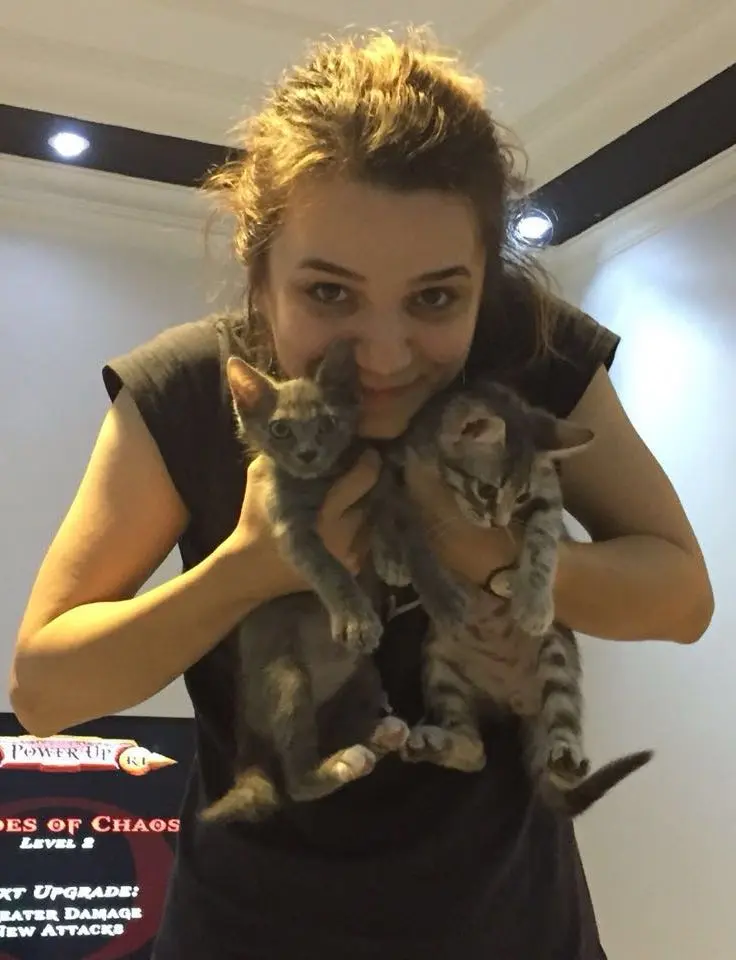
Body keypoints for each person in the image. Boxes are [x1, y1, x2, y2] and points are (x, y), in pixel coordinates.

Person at [9, 29, 712, 960]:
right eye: (330, 294)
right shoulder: (187, 390)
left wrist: (487, 553)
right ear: (260, 279)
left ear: (485, 283)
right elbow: (44, 691)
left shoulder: (533, 353)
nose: (382, 356)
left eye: (436, 299)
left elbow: (682, 597)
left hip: (514, 925)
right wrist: (245, 570)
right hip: (245, 932)